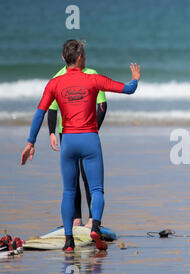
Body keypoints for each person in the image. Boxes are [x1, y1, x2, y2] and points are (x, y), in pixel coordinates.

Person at [21, 39, 141, 251]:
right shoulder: (93, 79)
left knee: (68, 191)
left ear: (63, 59)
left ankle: (69, 242)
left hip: (68, 141)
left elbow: (40, 113)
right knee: (96, 189)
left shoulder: (54, 83)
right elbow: (128, 90)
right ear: (80, 58)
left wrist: (31, 142)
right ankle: (95, 226)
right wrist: (135, 79)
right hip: (89, 140)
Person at [48, 64, 108, 228]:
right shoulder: (58, 77)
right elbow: (52, 109)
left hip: (82, 133)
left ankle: (91, 219)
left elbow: (101, 106)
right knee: (72, 178)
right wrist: (51, 132)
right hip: (66, 133)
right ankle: (76, 219)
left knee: (88, 175)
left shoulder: (91, 74)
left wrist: (94, 129)